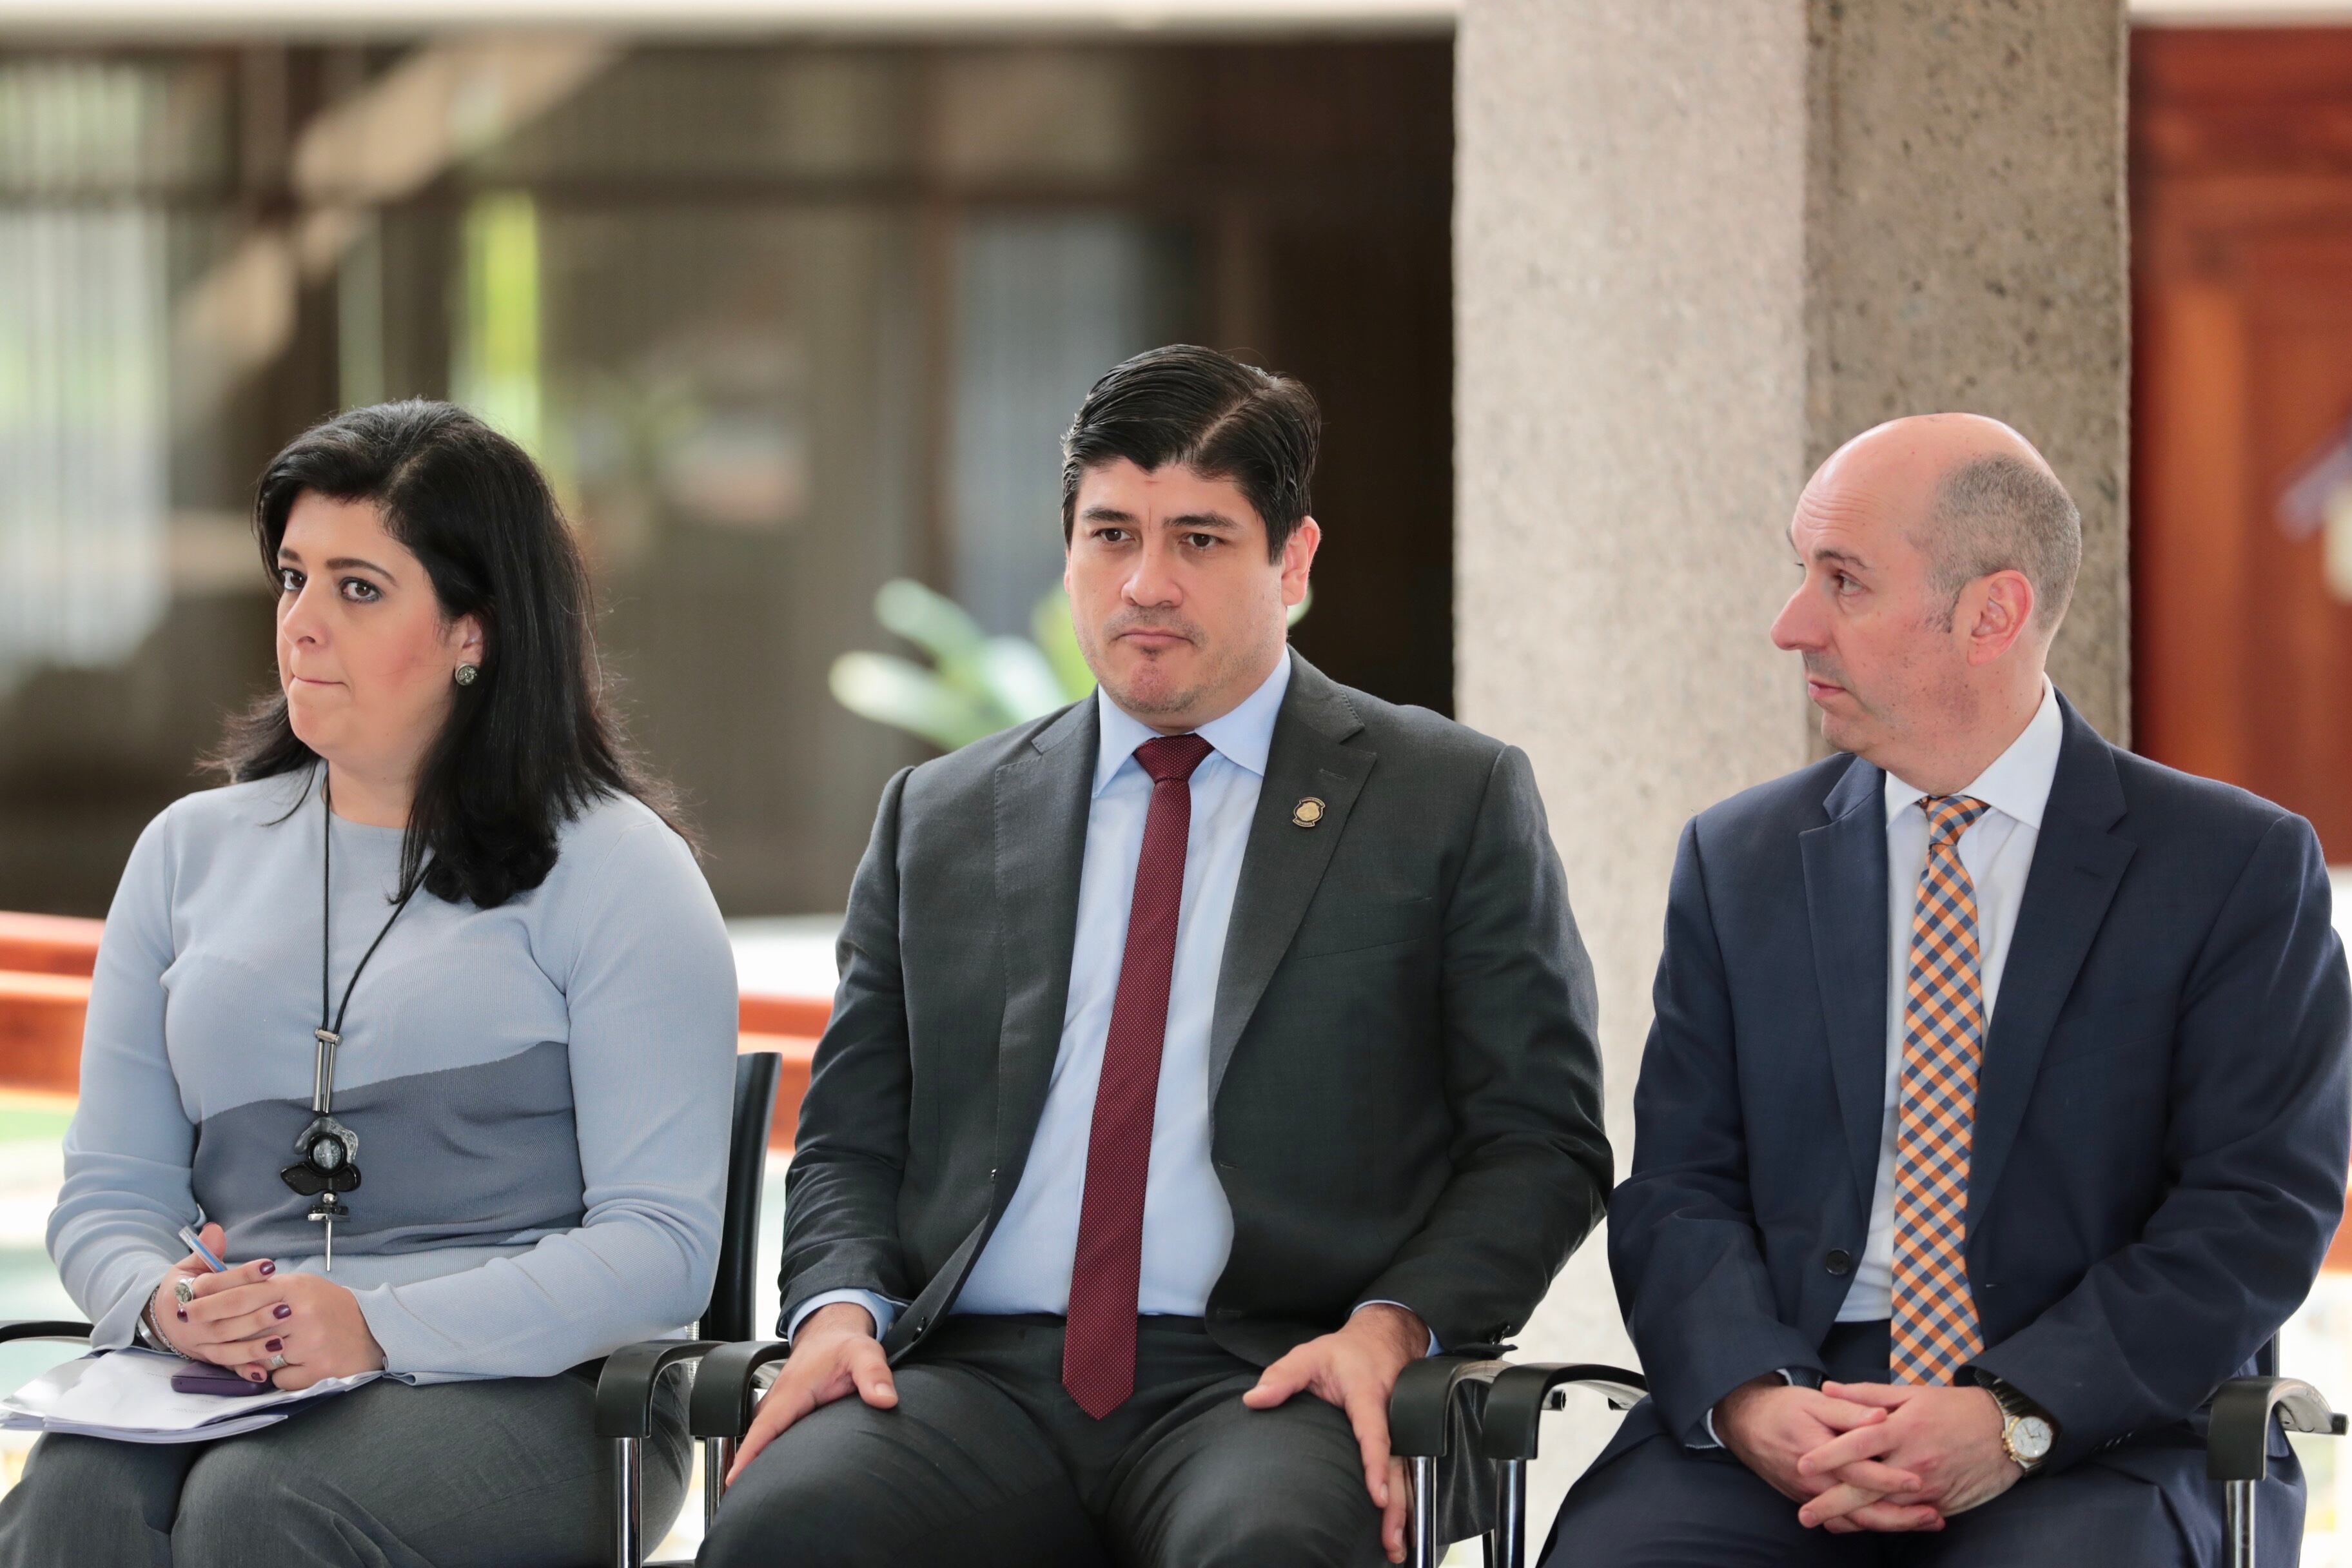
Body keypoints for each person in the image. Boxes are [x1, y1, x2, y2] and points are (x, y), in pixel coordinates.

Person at [698, 344, 1611, 1568]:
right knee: (783, 1534)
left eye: (1199, 539)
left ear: (1293, 561)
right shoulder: (942, 814)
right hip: (971, 1375)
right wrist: (836, 1312)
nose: (1146, 585)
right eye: (1112, 535)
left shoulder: (1445, 798)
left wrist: (1395, 1328)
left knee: (1270, 1550)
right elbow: (853, 1140)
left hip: (1276, 1374)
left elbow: (1541, 1142)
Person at [1542, 415, 2352, 1565]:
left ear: (1992, 615)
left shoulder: (2231, 867)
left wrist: (2016, 1414)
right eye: (1802, 572)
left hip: (2104, 1429)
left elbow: (2257, 1210)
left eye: (1844, 581)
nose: (1791, 624)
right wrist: (1752, 1399)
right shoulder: (1739, 860)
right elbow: (1678, 1187)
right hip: (1790, 1412)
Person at [0, 402, 740, 1567]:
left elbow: (658, 1249)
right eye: (294, 578)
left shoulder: (618, 868)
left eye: (358, 589)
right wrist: (161, 1303)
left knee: (260, 1507)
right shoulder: (187, 853)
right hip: (233, 1378)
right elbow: (110, 1196)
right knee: (74, 1499)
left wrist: (375, 1328)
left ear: (473, 633)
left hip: (554, 1397)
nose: (301, 623)